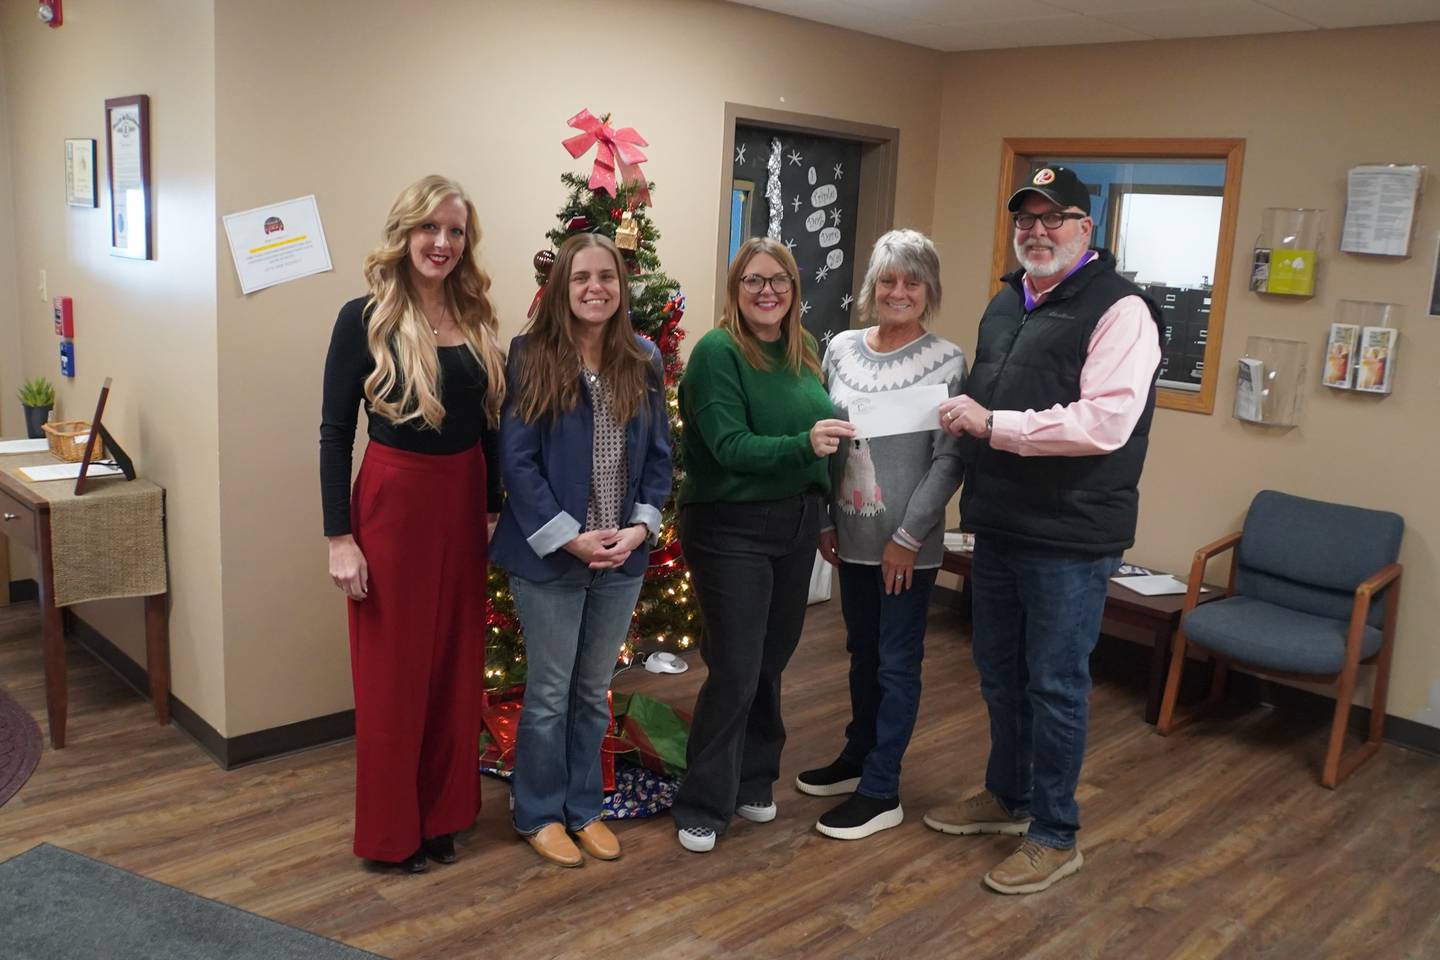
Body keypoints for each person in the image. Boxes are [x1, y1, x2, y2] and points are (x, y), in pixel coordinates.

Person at [931, 166, 1162, 894]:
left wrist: (993, 425)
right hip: (999, 524)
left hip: (1070, 534)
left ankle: (1056, 834)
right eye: (1025, 219)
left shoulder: (1121, 310)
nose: (1036, 231)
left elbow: (1104, 423)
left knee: (1056, 685)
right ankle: (1008, 796)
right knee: (1000, 673)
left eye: (1053, 217)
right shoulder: (1007, 301)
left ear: (1086, 230)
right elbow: (979, 396)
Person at [320, 174, 506, 873]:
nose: (443, 243)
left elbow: (489, 426)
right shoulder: (362, 316)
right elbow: (335, 433)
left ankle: (444, 817)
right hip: (392, 507)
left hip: (462, 506)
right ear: (405, 232)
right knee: (394, 680)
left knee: (456, 670)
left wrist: (494, 508)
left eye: (456, 231)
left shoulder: (477, 317)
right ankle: (393, 833)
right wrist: (341, 538)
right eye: (430, 228)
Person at [489, 232, 672, 868]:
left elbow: (657, 460)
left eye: (608, 277)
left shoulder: (642, 359)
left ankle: (583, 808)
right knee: (547, 694)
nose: (596, 288)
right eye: (582, 278)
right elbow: (516, 462)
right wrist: (569, 536)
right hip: (550, 557)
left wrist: (641, 530)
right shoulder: (530, 355)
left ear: (621, 288)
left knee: (594, 692)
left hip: (622, 556)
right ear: (562, 287)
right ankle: (538, 813)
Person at [670, 237, 855, 854]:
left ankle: (753, 778)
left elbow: (821, 448)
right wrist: (806, 443)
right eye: (753, 280)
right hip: (731, 527)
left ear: (794, 289)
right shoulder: (717, 353)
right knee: (736, 668)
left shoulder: (801, 350)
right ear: (735, 288)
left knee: (771, 662)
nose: (767, 290)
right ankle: (701, 801)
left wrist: (827, 513)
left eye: (779, 279)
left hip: (797, 525)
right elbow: (729, 446)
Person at [799, 229, 967, 840]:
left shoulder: (947, 360)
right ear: (873, 286)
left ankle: (882, 788)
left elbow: (950, 460)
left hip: (906, 549)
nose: (899, 292)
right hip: (850, 538)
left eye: (912, 282)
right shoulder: (840, 349)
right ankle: (857, 755)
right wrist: (824, 519)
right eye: (889, 280)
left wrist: (908, 536)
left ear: (928, 291)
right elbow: (821, 435)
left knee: (897, 664)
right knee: (861, 654)